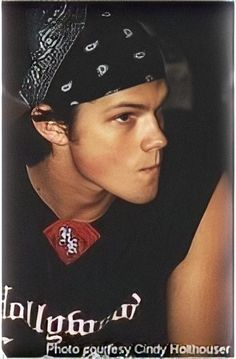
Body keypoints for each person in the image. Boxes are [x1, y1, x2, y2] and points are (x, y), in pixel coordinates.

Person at [2, 2, 233, 357]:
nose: (158, 138)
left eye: (157, 110)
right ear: (52, 127)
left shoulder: (194, 190)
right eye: (126, 117)